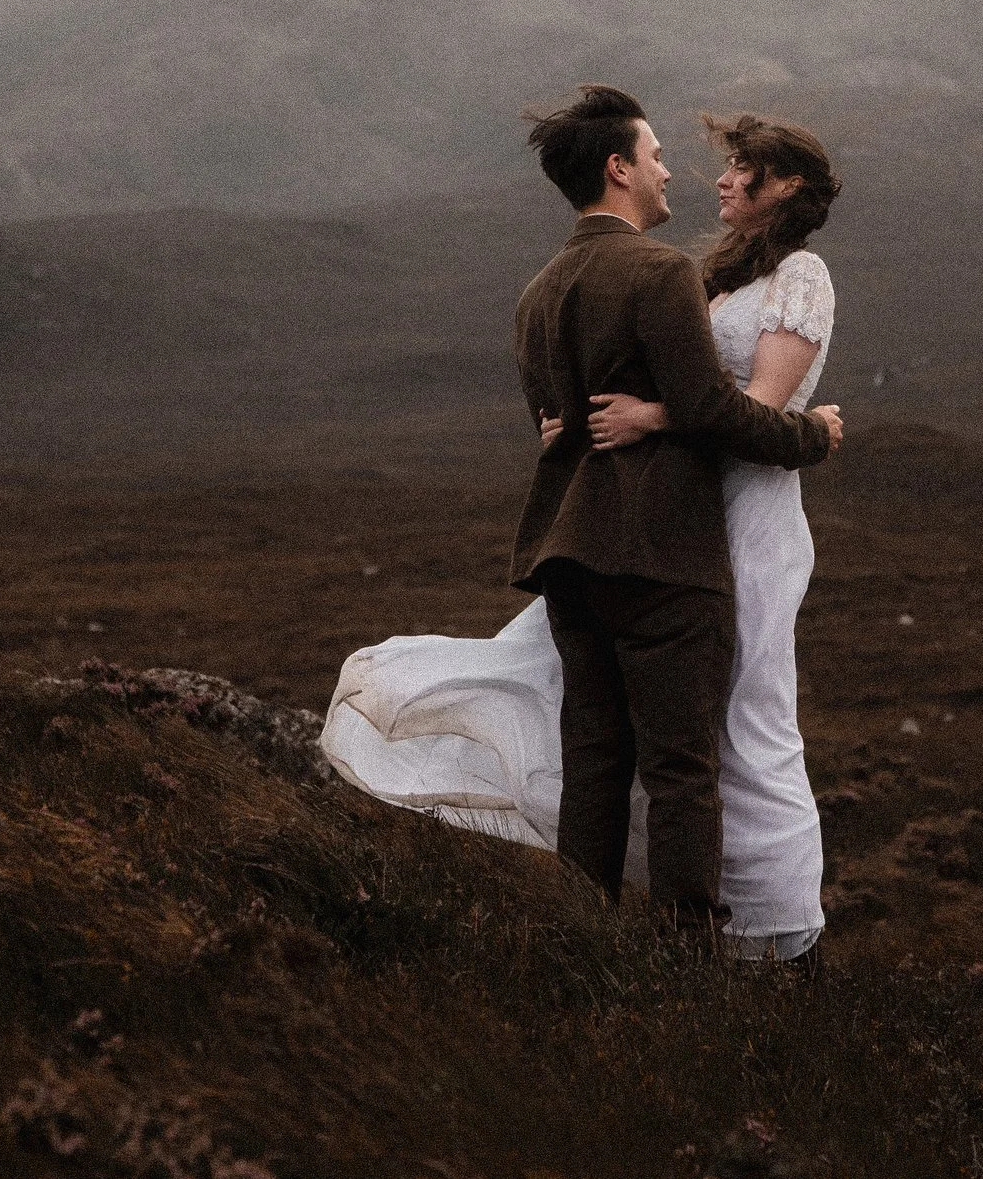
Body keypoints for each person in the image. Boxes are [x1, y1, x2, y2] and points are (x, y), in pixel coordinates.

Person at [321, 90, 846, 960]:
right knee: (687, 758)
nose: (694, 173)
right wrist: (814, 437)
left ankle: (601, 939)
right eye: (662, 155)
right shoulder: (674, 274)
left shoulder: (545, 287)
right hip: (671, 541)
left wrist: (634, 417)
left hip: (629, 535)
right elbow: (718, 409)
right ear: (619, 166)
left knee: (684, 736)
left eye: (735, 168)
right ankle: (696, 955)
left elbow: (612, 411)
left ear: (781, 185)